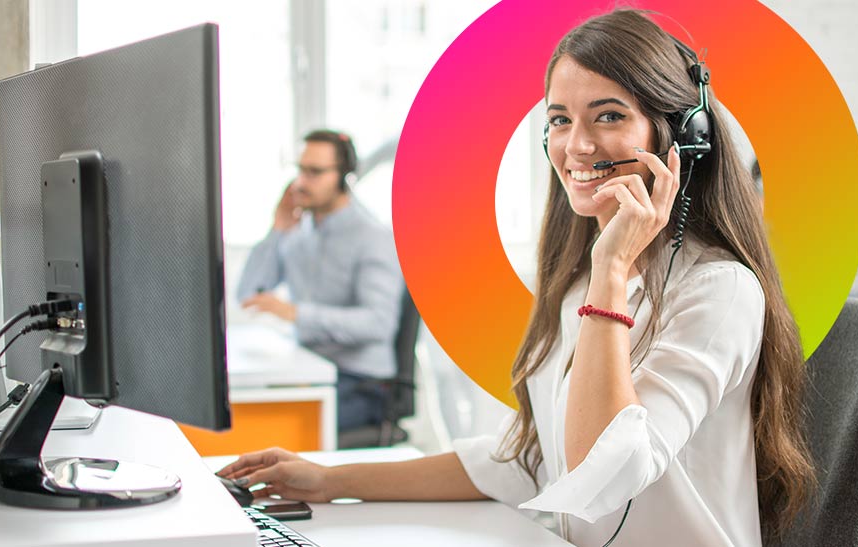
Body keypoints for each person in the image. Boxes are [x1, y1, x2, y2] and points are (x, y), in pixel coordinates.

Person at [220, 10, 814, 546]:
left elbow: (596, 473)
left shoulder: (719, 290)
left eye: (608, 115)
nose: (575, 146)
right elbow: (532, 459)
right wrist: (330, 480)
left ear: (683, 136)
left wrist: (612, 271)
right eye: (559, 120)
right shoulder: (580, 281)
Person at [236, 129, 404, 431]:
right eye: (300, 170)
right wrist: (277, 230)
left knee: (272, 428)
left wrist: (297, 314)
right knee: (242, 411)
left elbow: (379, 323)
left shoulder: (372, 237)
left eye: (314, 172)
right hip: (307, 371)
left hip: (361, 384)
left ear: (344, 177)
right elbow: (248, 294)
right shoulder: (299, 232)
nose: (301, 182)